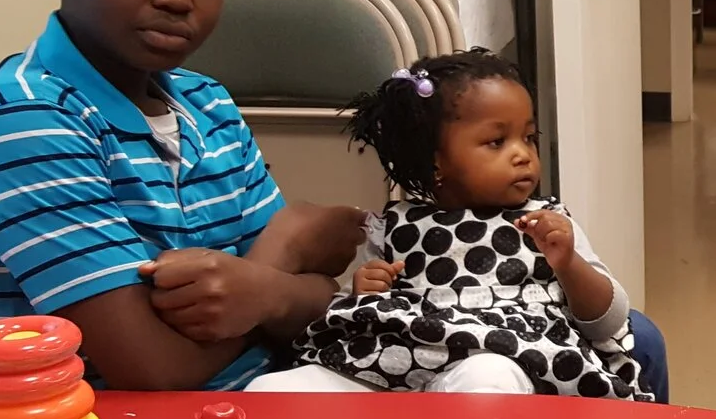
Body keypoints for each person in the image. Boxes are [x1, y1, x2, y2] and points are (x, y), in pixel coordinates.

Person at [0, 0, 362, 391]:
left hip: (274, 402)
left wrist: (262, 290)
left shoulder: (206, 101)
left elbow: (320, 306)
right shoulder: (21, 119)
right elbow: (154, 371)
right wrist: (288, 253)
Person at [273, 51, 647, 398]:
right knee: (279, 391)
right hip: (398, 365)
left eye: (529, 138)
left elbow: (610, 323)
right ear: (437, 162)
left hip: (507, 362)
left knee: (487, 380)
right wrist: (362, 289)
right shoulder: (394, 226)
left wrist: (569, 265)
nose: (523, 154)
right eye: (497, 141)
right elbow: (352, 314)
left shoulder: (549, 225)